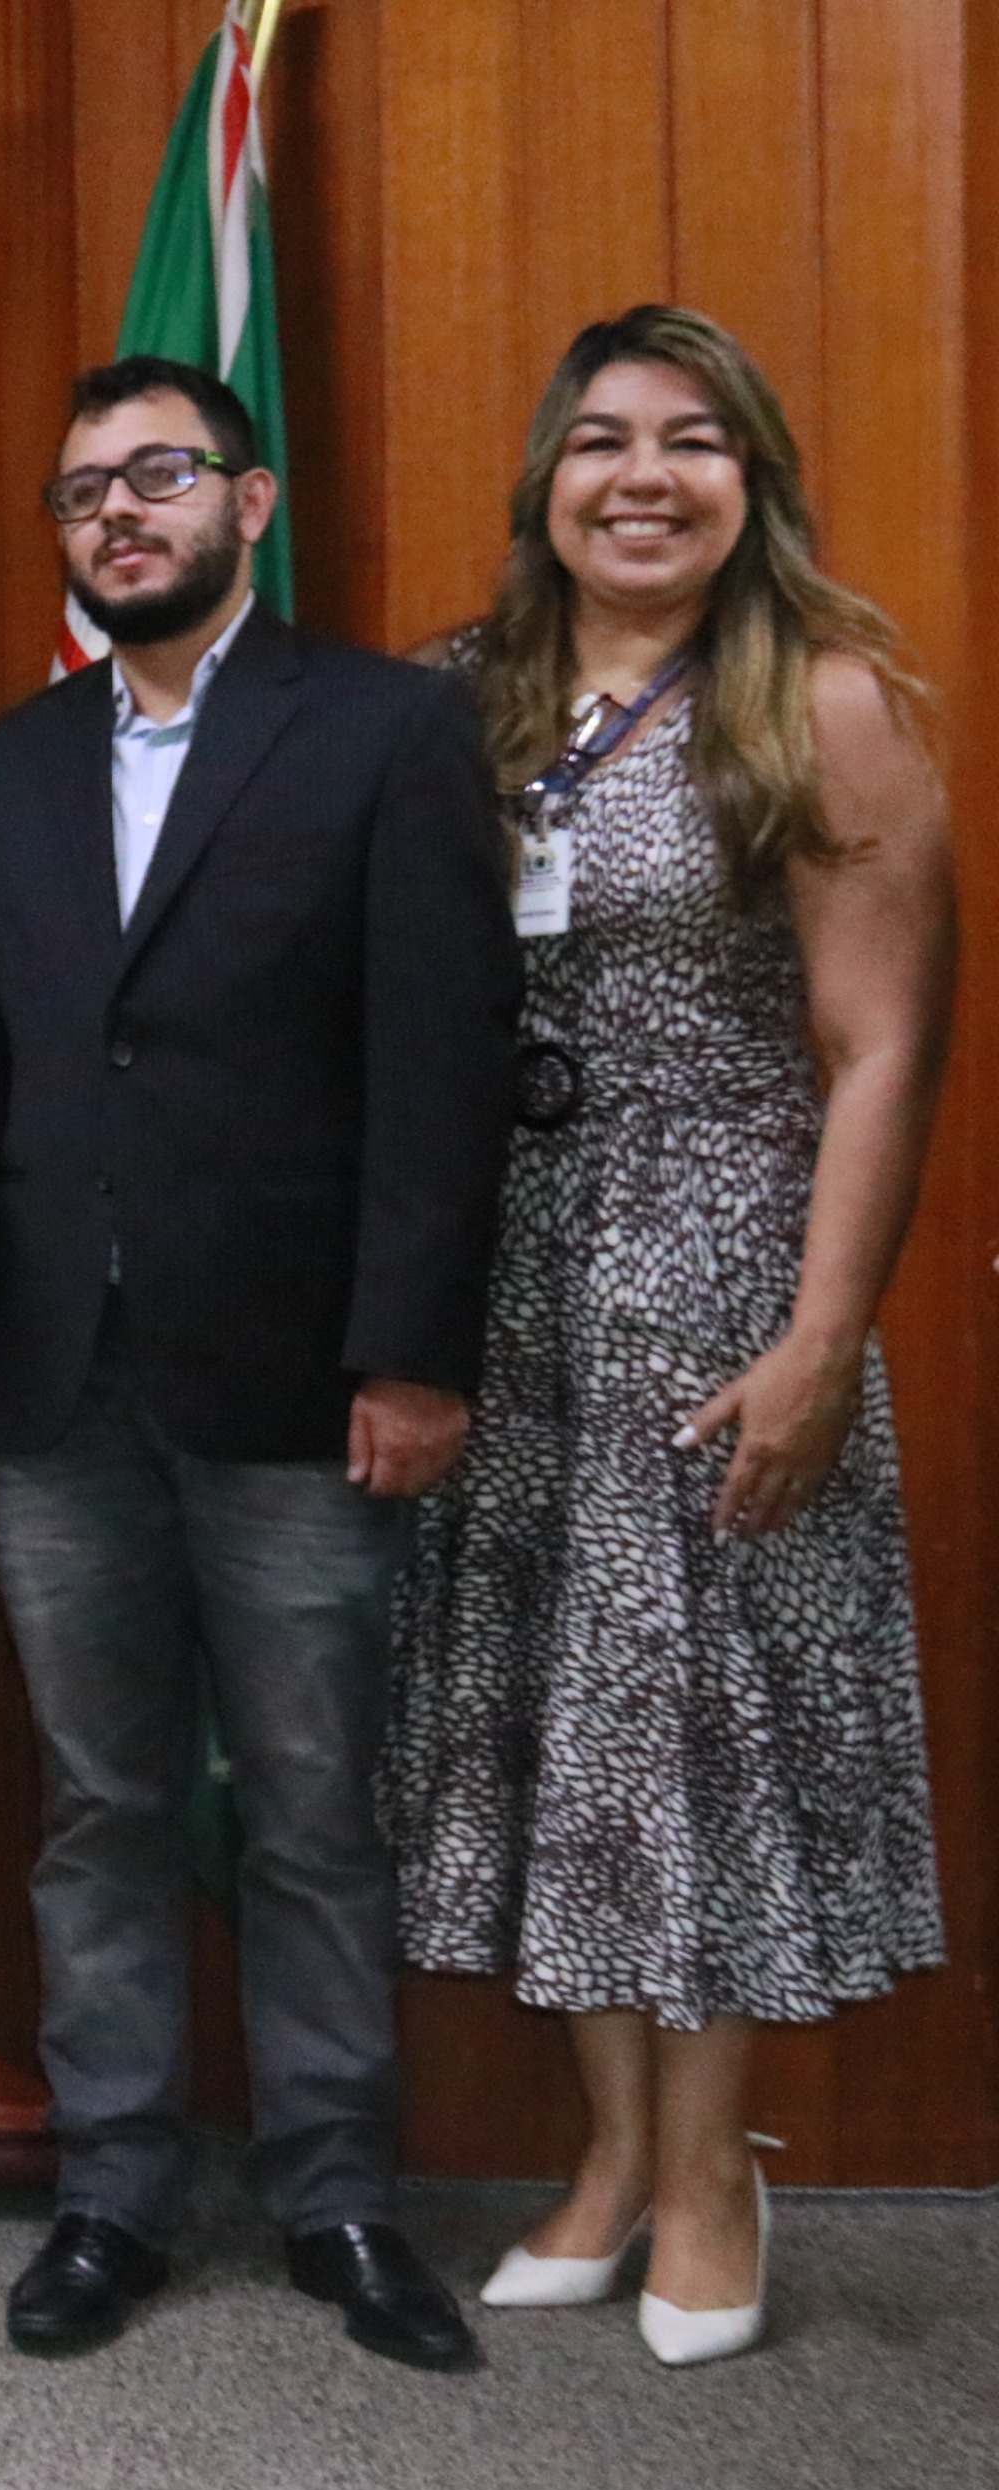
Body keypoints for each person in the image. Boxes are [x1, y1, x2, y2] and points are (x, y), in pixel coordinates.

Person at [0, 355, 516, 2371]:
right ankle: (112, 2188)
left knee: (314, 1804)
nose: (120, 513)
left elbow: (441, 1071)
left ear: (248, 503)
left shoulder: (386, 730)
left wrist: (411, 1355)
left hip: (299, 1378)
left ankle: (337, 2193)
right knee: (100, 1803)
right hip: (53, 1379)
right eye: (85, 489)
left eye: (160, 474)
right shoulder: (7, 762)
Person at [384, 307, 953, 2368]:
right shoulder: (460, 698)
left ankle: (715, 2173)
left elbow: (881, 1048)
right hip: (508, 1280)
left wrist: (821, 1337)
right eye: (603, 438)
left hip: (714, 1276)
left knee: (691, 1732)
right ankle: (613, 2157)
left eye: (694, 440)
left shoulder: (819, 701)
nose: (643, 476)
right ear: (545, 477)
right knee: (565, 1735)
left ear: (753, 480)